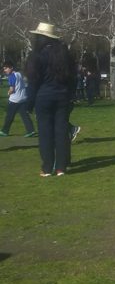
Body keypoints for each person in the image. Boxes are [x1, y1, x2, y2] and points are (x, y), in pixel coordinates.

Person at [25, 22, 76, 177]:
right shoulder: (64, 54)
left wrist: (29, 103)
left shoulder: (37, 55)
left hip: (43, 97)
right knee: (61, 132)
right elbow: (73, 78)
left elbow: (33, 81)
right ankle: (61, 167)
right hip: (62, 96)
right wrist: (71, 96)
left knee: (45, 132)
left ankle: (47, 168)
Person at [0, 60, 37, 137]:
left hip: (14, 100)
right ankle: (31, 131)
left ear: (11, 68)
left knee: (9, 116)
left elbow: (12, 89)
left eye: (6, 68)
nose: (5, 70)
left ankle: (4, 131)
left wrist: (8, 93)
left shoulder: (11, 76)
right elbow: (24, 83)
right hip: (23, 98)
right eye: (4, 69)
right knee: (25, 116)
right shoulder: (19, 74)